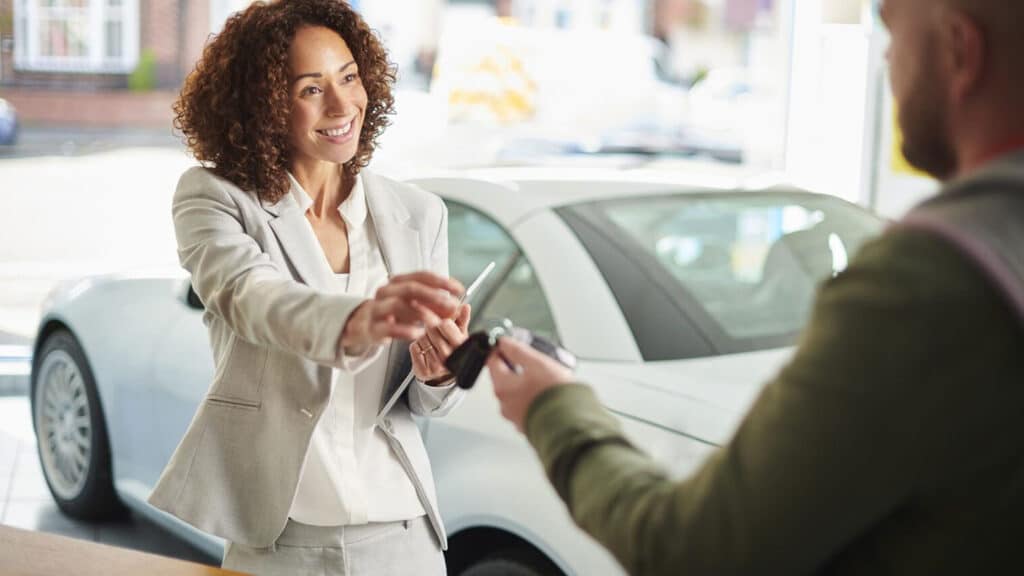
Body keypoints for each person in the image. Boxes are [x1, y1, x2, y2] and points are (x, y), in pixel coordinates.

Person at [487, 0, 1024, 573]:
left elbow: (692, 551)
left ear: (961, 51)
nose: (886, 59)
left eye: (891, 31)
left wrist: (553, 406)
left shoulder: (923, 286)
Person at [148, 1, 470, 574]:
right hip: (279, 538)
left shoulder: (420, 214)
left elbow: (421, 404)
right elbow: (251, 298)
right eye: (310, 89)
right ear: (266, 104)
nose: (344, 104)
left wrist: (441, 370)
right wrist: (359, 320)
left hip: (402, 533)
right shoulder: (214, 198)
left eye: (349, 77)